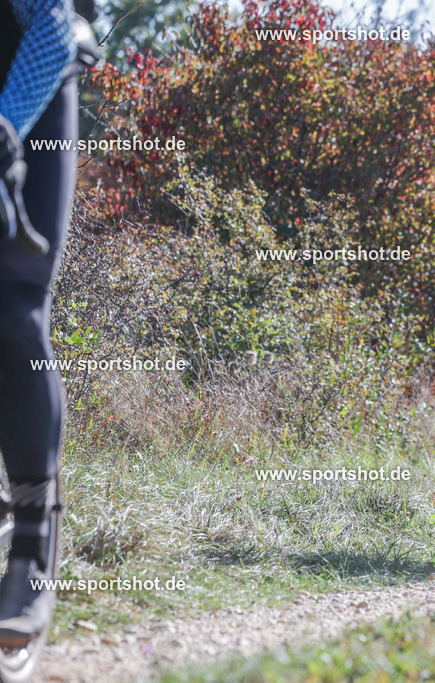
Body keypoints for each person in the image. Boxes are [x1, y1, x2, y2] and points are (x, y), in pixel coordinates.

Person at [0, 0, 99, 646]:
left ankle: (33, 544)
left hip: (33, 82)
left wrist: (4, 129)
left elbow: (54, 24)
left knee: (14, 308)